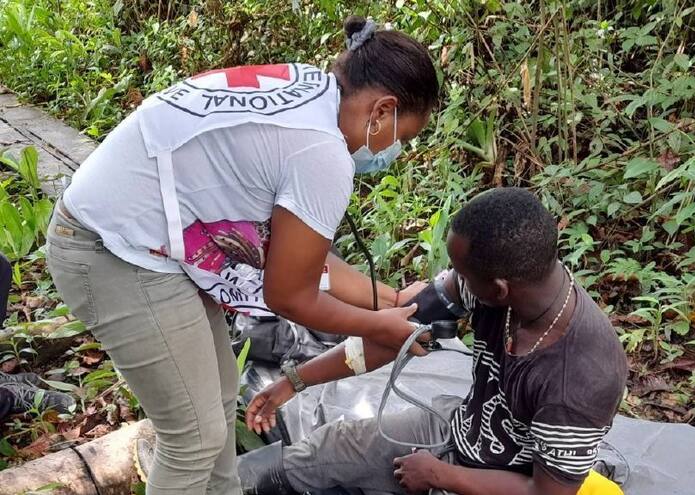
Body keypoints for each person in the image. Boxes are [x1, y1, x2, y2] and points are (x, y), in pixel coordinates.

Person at [46, 16, 438, 495]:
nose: (394, 149)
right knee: (192, 438)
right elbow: (289, 294)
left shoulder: (309, 93)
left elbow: (305, 261)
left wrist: (391, 297)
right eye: (402, 136)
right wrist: (380, 324)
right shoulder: (320, 152)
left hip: (141, 236)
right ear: (382, 110)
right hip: (113, 250)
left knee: (219, 398)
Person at [246, 188, 629, 495]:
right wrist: (294, 382)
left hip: (508, 478)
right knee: (329, 449)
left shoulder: (580, 379)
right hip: (458, 430)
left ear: (498, 289)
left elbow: (546, 492)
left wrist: (442, 476)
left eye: (459, 271)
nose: (449, 279)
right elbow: (396, 332)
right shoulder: (495, 282)